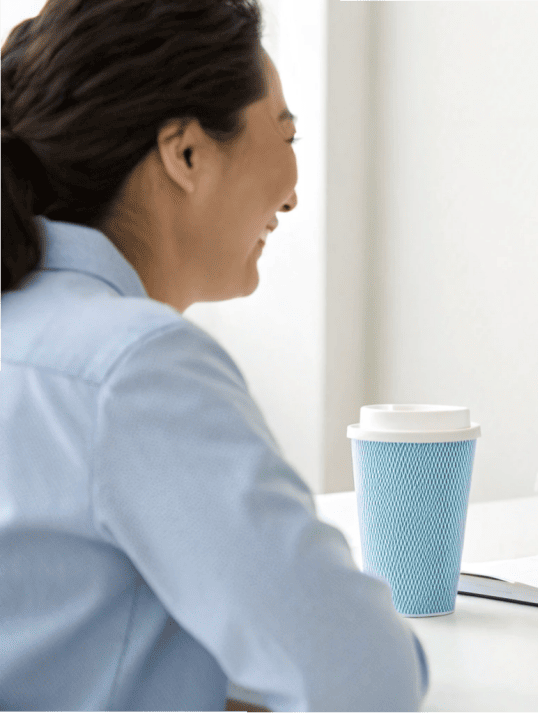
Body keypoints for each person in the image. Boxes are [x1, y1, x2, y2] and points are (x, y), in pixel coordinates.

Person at [0, 1, 427, 710]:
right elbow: (365, 680)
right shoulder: (133, 367)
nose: (291, 194)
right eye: (284, 133)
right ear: (186, 152)